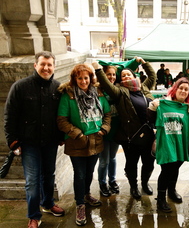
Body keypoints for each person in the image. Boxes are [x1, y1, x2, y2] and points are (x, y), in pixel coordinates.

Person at [4, 51, 65, 228]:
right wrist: (12, 141)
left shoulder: (58, 88)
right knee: (32, 179)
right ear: (35, 65)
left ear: (54, 66)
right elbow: (10, 115)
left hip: (50, 141)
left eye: (49, 64)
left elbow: (62, 115)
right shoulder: (20, 87)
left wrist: (61, 137)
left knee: (49, 175)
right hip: (29, 142)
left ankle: (47, 203)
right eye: (43, 64)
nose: (46, 68)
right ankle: (33, 215)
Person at [93, 57, 156, 200]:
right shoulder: (120, 92)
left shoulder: (144, 87)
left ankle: (145, 183)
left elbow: (152, 76)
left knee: (148, 162)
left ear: (135, 76)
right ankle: (133, 186)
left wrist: (144, 64)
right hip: (131, 137)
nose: (126, 76)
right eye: (123, 75)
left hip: (149, 133)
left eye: (129, 74)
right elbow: (106, 85)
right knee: (131, 163)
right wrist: (98, 69)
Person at [57, 63, 111, 226]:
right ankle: (80, 203)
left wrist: (104, 129)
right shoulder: (69, 95)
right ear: (74, 79)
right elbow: (61, 120)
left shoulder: (98, 93)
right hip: (77, 143)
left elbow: (107, 113)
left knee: (89, 173)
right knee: (79, 174)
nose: (83, 81)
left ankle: (86, 194)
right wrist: (77, 134)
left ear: (90, 78)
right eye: (79, 78)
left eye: (86, 78)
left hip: (96, 140)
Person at [147, 77, 189, 212]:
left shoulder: (188, 107)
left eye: (186, 89)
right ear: (175, 89)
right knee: (166, 171)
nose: (183, 91)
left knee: (175, 168)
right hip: (166, 144)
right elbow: (150, 118)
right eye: (181, 88)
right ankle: (160, 199)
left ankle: (171, 191)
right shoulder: (163, 104)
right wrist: (153, 107)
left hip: (181, 144)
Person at [97, 65, 121, 197]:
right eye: (108, 74)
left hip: (115, 129)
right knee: (104, 160)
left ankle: (112, 180)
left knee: (112, 157)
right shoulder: (97, 90)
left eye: (113, 74)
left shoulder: (117, 89)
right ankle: (102, 183)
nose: (111, 77)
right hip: (103, 130)